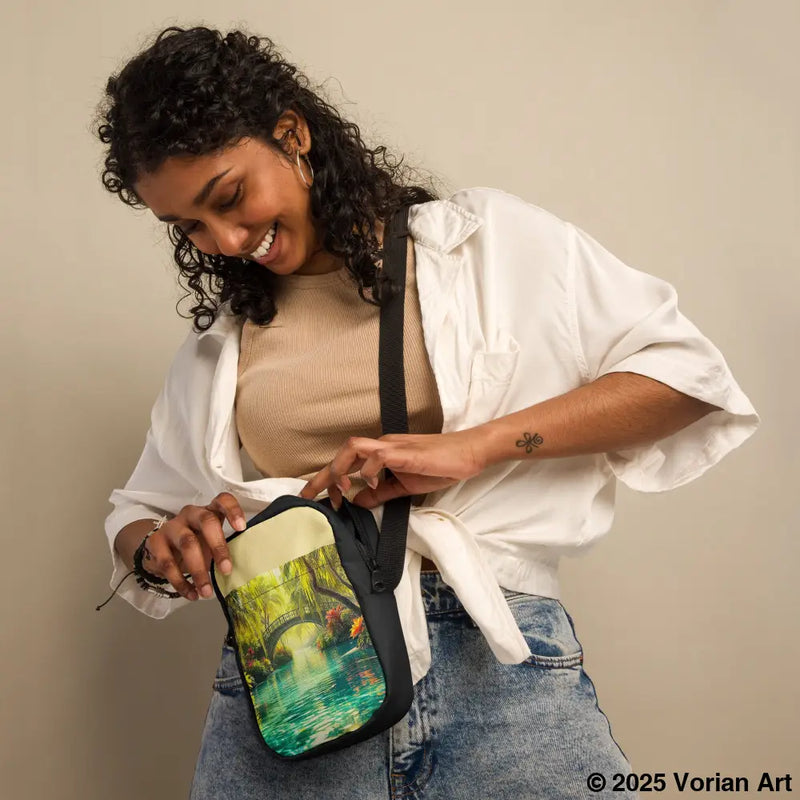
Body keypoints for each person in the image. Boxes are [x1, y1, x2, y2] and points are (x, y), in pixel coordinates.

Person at [95, 25, 759, 800]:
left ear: (293, 134)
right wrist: (164, 547)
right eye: (189, 227)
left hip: (496, 671)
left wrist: (477, 446)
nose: (227, 240)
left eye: (230, 197)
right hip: (296, 679)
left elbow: (685, 380)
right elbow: (136, 515)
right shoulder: (224, 342)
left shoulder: (482, 246)